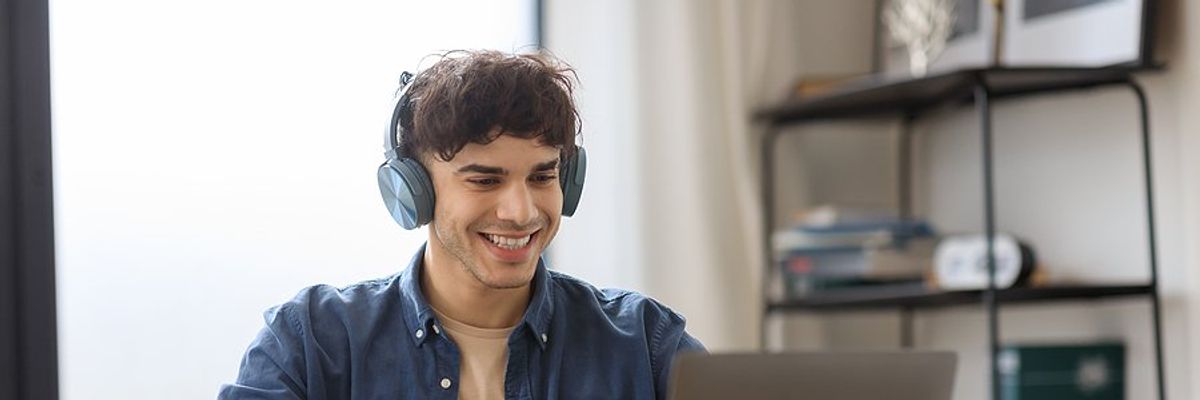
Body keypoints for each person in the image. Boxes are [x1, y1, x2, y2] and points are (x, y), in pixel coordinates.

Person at [218, 50, 705, 400]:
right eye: (485, 180)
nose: (521, 211)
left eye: (542, 176)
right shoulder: (312, 342)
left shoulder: (645, 342)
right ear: (414, 193)